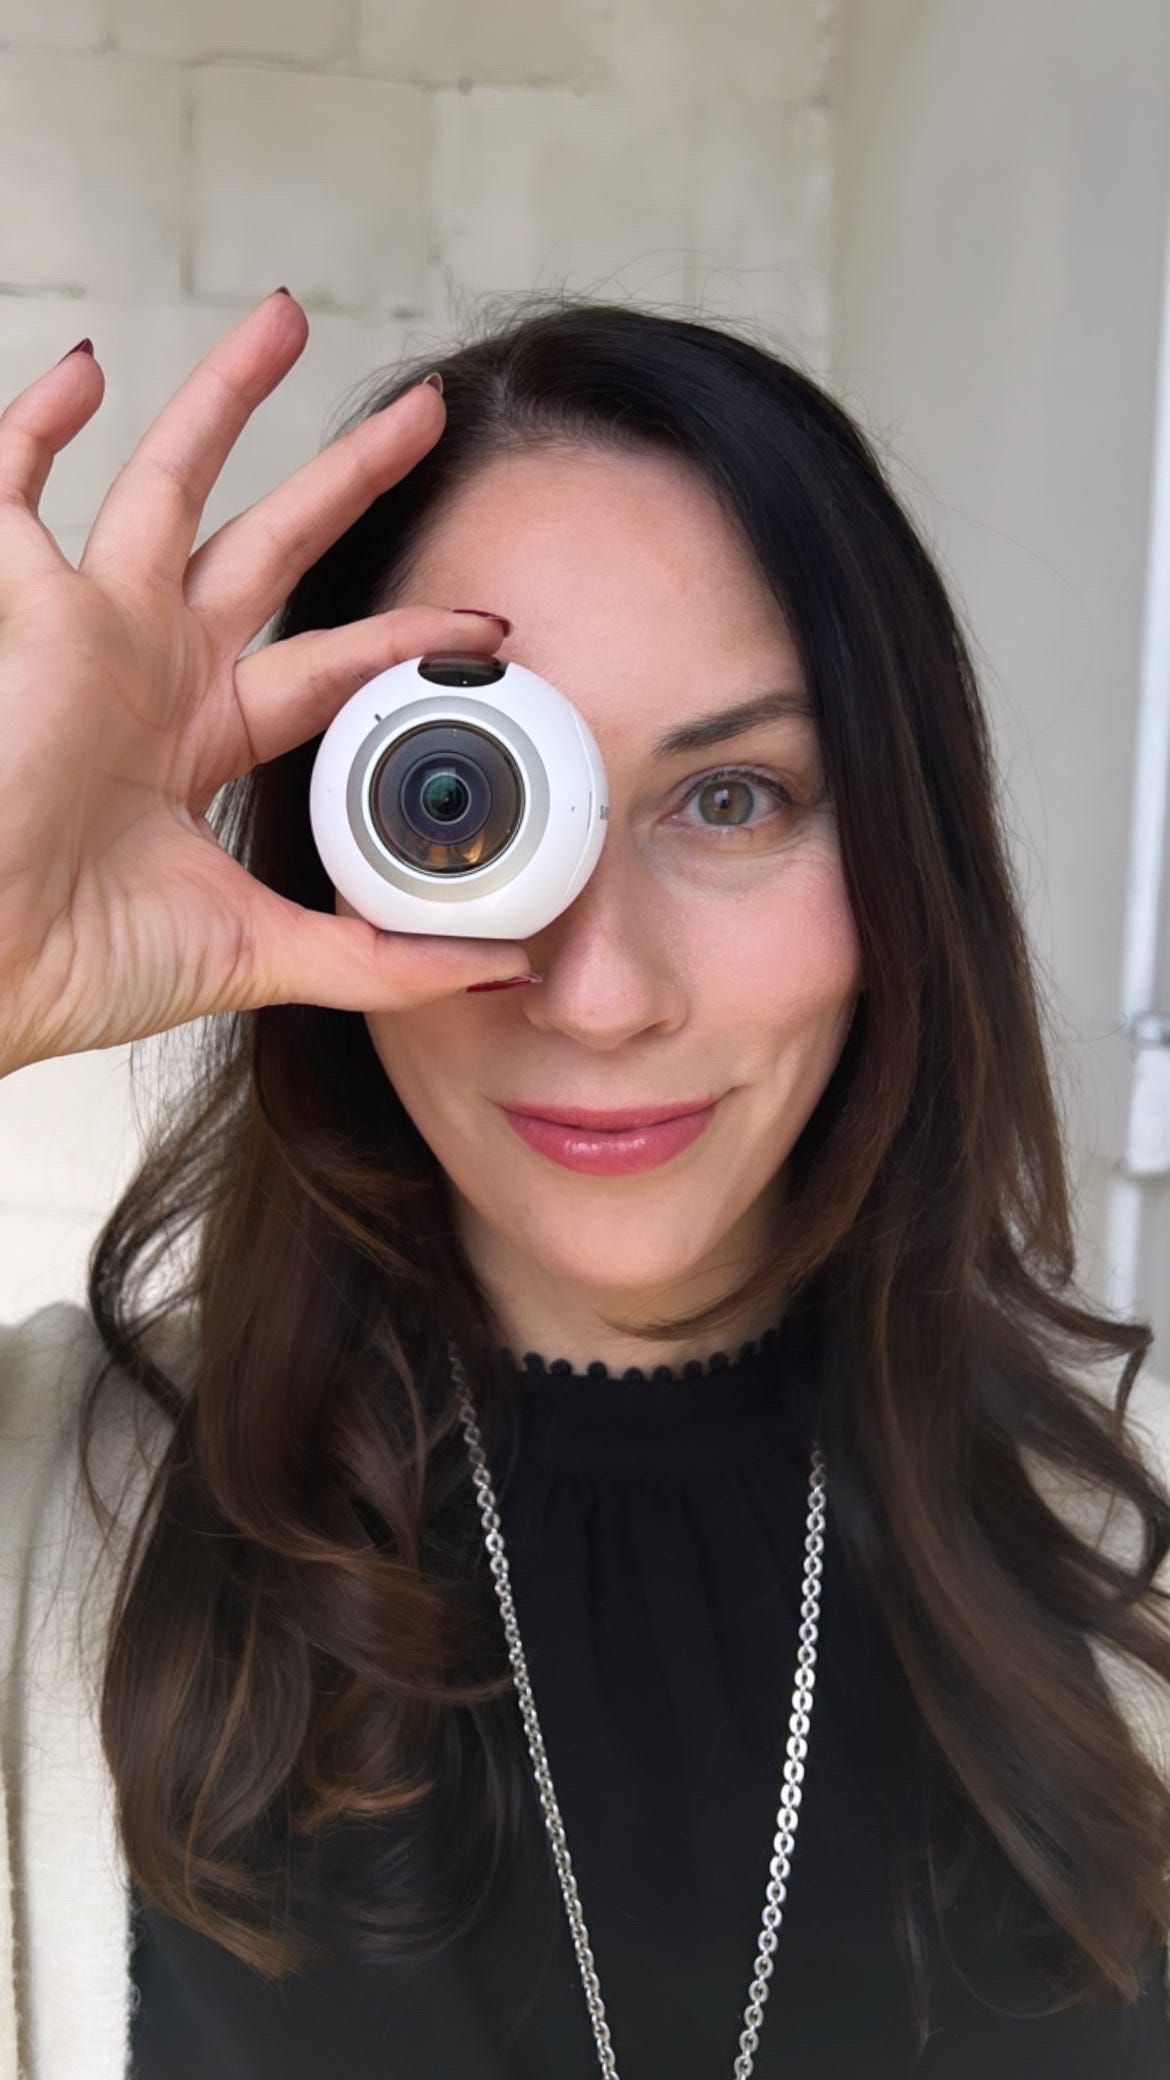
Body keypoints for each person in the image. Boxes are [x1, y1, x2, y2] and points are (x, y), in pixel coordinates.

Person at [0, 287, 1169, 2080]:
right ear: (325, 861)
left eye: (734, 799)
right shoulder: (48, 1512)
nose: (603, 995)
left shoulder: (1131, 1533)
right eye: (460, 803)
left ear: (899, 847)